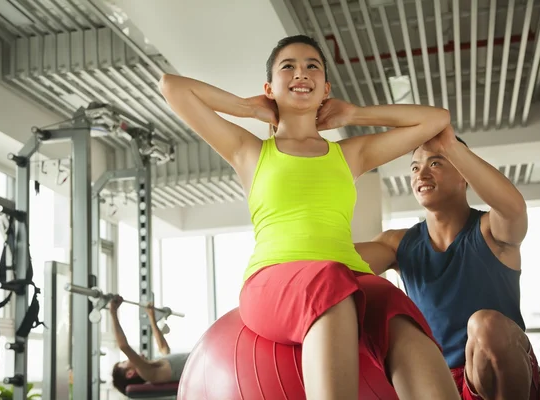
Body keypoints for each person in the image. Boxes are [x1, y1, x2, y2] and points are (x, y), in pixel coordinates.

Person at [159, 34, 460, 399]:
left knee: (397, 308)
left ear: (326, 88)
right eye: (289, 66)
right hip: (274, 281)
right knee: (329, 283)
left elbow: (436, 120)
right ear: (270, 87)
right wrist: (248, 108)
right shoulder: (249, 151)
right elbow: (172, 87)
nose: (301, 72)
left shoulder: (349, 154)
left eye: (312, 66)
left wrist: (354, 114)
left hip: (350, 278)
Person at [355, 126, 540, 400]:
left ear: (463, 175)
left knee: (485, 325)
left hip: (500, 377)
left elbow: (514, 208)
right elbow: (338, 264)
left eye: (435, 162)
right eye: (415, 167)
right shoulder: (397, 244)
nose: (421, 174)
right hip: (438, 381)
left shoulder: (492, 231)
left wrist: (452, 147)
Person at [109, 295, 190, 395]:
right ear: (130, 373)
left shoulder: (157, 365)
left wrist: (151, 317)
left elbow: (163, 347)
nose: (129, 358)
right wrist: (113, 312)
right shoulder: (149, 373)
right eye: (125, 361)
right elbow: (123, 346)